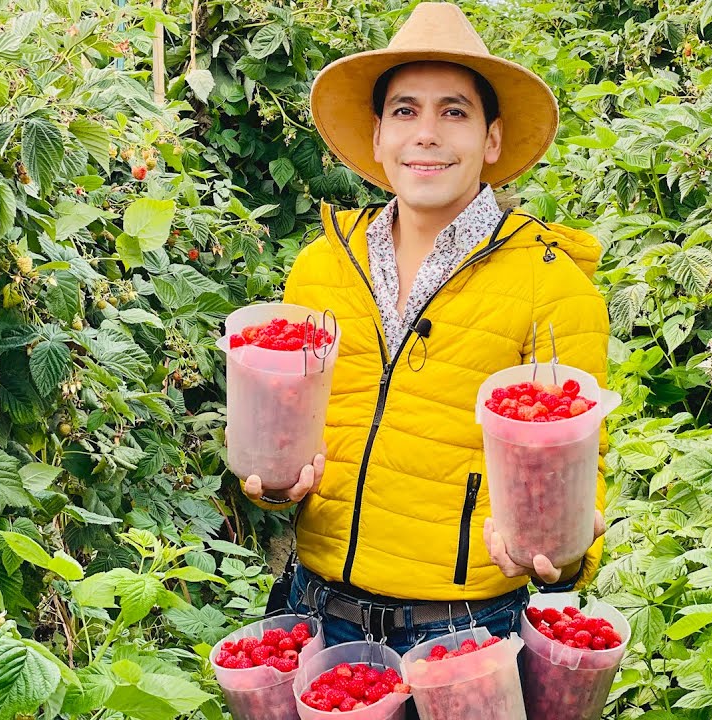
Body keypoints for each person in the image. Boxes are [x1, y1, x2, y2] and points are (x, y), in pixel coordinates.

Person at [238, 2, 609, 657]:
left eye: (454, 111)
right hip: (317, 615)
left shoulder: (552, 284)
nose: (427, 134)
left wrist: (567, 554)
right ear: (379, 135)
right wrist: (272, 487)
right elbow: (289, 439)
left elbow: (579, 471)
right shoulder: (321, 269)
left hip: (466, 636)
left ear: (491, 140)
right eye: (406, 110)